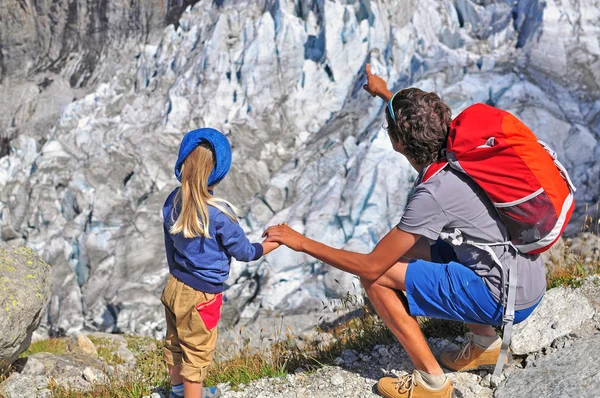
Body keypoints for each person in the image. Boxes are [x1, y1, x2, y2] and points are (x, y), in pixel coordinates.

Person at [262, 65, 545, 398]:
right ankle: (484, 344)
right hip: (525, 279)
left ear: (397, 143)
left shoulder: (434, 193)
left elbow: (370, 265)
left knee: (377, 276)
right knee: (412, 247)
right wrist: (385, 93)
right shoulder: (456, 147)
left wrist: (300, 242)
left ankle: (431, 383)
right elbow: (418, 118)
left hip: (505, 299)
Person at [162, 128, 279, 398]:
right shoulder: (219, 214)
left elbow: (169, 245)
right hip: (203, 295)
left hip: (174, 285)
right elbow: (246, 252)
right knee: (197, 354)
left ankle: (178, 391)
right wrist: (273, 243)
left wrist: (176, 272)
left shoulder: (172, 201)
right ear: (220, 171)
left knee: (175, 343)